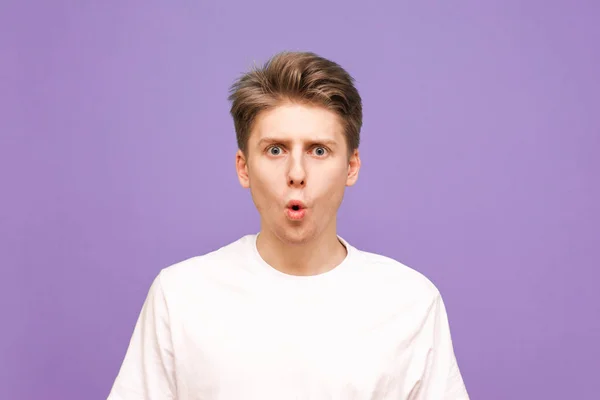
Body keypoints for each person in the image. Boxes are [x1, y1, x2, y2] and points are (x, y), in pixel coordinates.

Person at [108, 51, 469, 399]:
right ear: (244, 167)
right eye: (276, 150)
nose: (296, 174)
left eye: (318, 150)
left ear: (352, 166)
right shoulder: (180, 296)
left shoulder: (410, 302)